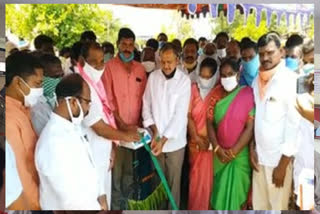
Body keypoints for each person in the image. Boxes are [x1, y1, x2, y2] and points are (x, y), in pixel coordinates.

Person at [78, 42, 141, 209]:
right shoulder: (82, 86)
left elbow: (106, 114)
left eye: (101, 61)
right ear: (81, 61)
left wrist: (112, 147)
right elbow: (98, 126)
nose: (99, 66)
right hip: (91, 156)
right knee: (98, 202)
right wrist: (124, 136)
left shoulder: (95, 82)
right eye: (94, 62)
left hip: (103, 152)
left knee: (105, 198)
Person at [35, 74, 102, 210]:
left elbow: (89, 165)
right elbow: (70, 200)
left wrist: (101, 194)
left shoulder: (72, 126)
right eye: (87, 102)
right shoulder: (53, 141)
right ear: (72, 102)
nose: (88, 109)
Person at [250, 32, 300, 210]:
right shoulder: (257, 80)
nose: (265, 58)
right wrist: (252, 148)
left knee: (276, 208)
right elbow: (255, 118)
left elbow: (294, 125)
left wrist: (283, 165)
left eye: (270, 53)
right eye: (262, 54)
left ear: (282, 51)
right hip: (259, 159)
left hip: (278, 161)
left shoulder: (291, 81)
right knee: (259, 207)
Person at [102, 28, 147, 210]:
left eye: (130, 45)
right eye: (124, 44)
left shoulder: (140, 68)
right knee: (116, 170)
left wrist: (140, 126)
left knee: (130, 170)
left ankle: (128, 206)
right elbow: (108, 99)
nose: (127, 48)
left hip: (135, 131)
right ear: (117, 45)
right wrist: (121, 126)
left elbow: (145, 98)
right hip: (115, 129)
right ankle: (116, 206)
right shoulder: (109, 67)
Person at [142, 43, 191, 209]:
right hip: (155, 140)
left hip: (175, 143)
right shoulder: (153, 77)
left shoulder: (184, 81)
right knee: (158, 182)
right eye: (163, 62)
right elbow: (146, 104)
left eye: (170, 61)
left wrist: (163, 140)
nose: (166, 66)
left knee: (173, 184)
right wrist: (154, 131)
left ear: (177, 60)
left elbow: (179, 115)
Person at [207, 59, 255, 210]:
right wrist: (216, 148)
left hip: (239, 156)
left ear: (238, 73)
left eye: (230, 74)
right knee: (219, 193)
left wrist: (233, 152)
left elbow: (250, 127)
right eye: (223, 75)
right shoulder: (215, 94)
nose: (226, 78)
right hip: (219, 154)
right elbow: (209, 122)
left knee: (239, 196)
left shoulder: (248, 94)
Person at [6, 52, 43, 210]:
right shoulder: (9, 118)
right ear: (17, 82)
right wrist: (38, 205)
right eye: (37, 84)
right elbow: (21, 171)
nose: (40, 90)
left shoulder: (23, 109)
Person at [187, 57, 222, 210]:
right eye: (202, 76)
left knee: (210, 182)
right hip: (195, 144)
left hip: (213, 145)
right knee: (196, 181)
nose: (205, 80)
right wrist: (195, 137)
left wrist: (211, 140)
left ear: (215, 76)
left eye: (208, 77)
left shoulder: (220, 92)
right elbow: (187, 115)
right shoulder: (192, 89)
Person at [31, 54, 64, 135]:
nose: (59, 80)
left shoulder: (56, 97)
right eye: (55, 77)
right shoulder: (37, 108)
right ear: (42, 77)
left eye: (61, 75)